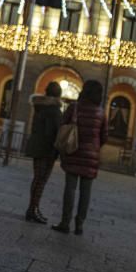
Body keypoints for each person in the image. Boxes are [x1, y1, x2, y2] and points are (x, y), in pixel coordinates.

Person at [52, 80, 108, 236]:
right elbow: (104, 136)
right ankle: (79, 225)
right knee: (86, 191)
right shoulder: (101, 112)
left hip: (73, 151)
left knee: (69, 188)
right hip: (91, 156)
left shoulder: (74, 108)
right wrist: (94, 147)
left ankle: (65, 222)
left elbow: (63, 126)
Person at [24, 82, 63, 224]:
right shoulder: (54, 110)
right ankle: (33, 209)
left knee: (37, 179)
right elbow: (58, 131)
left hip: (37, 145)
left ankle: (32, 208)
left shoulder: (39, 106)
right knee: (42, 180)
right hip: (48, 149)